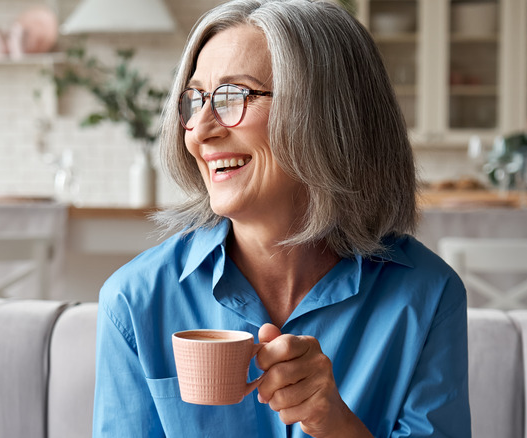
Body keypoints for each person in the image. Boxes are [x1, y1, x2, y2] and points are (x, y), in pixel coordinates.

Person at [92, 0, 471, 437]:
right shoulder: (134, 302)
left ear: (330, 116)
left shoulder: (427, 296)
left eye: (234, 96)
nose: (200, 129)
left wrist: (334, 423)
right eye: (195, 100)